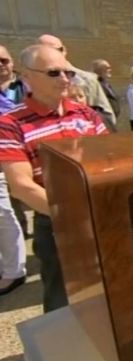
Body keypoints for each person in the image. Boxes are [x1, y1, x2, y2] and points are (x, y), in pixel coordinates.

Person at [0, 45, 109, 311]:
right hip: (56, 223)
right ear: (27, 77)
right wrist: (72, 215)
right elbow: (22, 186)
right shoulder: (10, 124)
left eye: (68, 72)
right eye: (53, 72)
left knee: (107, 295)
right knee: (63, 303)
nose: (64, 78)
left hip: (101, 216)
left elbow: (110, 163)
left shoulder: (87, 114)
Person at [37, 35, 116, 129]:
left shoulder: (87, 80)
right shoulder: (31, 82)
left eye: (56, 50)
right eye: (46, 52)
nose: (52, 56)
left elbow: (107, 117)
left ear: (64, 50)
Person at [0, 44, 28, 297]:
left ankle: (14, 270)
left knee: (4, 214)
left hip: (22, 159)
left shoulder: (25, 89)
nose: (0, 65)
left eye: (3, 60)